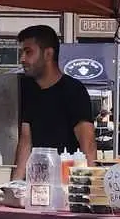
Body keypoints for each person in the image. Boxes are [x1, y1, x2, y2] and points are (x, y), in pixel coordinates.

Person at [12, 25, 96, 178]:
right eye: (21, 52)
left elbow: (88, 146)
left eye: (28, 52)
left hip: (67, 183)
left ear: (48, 54)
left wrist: (87, 191)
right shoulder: (27, 90)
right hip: (36, 183)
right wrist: (13, 186)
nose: (22, 59)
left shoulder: (74, 91)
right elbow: (25, 142)